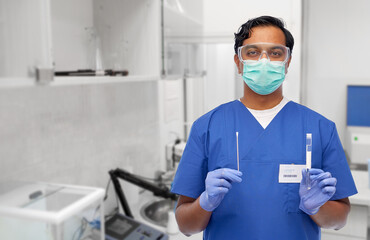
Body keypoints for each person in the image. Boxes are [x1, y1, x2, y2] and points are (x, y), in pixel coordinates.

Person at [170, 16, 357, 239]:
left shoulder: (319, 128)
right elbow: (185, 225)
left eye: (276, 53)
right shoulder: (207, 127)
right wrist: (206, 202)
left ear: (287, 62)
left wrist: (317, 208)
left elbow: (340, 220)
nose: (264, 61)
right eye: (253, 52)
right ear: (238, 62)